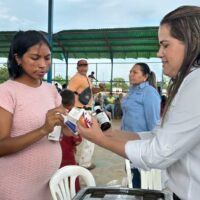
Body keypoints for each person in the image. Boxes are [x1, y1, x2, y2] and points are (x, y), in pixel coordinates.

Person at [77, 6, 200, 200]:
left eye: (165, 45)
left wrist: (100, 140)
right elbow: (157, 134)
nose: (159, 53)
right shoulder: (185, 82)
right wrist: (113, 134)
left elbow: (158, 149)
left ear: (191, 42)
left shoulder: (194, 83)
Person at [0, 30, 68, 200]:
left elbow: (63, 130)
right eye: (35, 58)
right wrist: (43, 129)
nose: (43, 64)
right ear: (18, 58)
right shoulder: (7, 92)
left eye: (47, 58)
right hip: (16, 187)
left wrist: (72, 124)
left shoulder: (51, 90)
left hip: (50, 184)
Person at [121, 63, 161, 188]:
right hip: (127, 141)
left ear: (145, 76)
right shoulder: (132, 91)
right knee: (131, 174)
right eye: (130, 72)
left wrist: (151, 146)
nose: (131, 75)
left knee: (140, 179)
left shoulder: (149, 92)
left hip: (141, 143)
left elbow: (153, 122)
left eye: (135, 72)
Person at [67, 59, 104, 170]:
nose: (83, 67)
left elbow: (91, 91)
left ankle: (78, 161)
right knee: (90, 137)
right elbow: (68, 93)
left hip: (84, 111)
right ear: (77, 68)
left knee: (75, 136)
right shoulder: (76, 78)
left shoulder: (86, 78)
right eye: (81, 66)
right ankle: (84, 163)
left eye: (85, 65)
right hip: (79, 111)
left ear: (87, 67)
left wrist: (101, 88)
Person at [60, 89, 82, 192]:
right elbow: (77, 140)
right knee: (71, 182)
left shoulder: (53, 113)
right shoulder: (73, 116)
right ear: (72, 104)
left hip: (52, 155)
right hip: (67, 155)